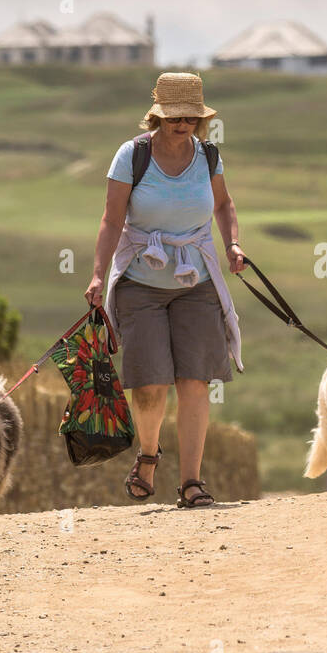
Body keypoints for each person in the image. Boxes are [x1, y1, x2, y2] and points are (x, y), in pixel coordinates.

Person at [85, 72, 245, 508]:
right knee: (150, 383)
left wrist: (232, 243)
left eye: (191, 116)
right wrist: (99, 274)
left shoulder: (209, 156)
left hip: (196, 281)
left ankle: (192, 483)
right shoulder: (132, 156)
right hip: (141, 280)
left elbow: (224, 204)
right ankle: (149, 456)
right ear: (158, 116)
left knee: (195, 380)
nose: (183, 124)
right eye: (175, 116)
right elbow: (111, 220)